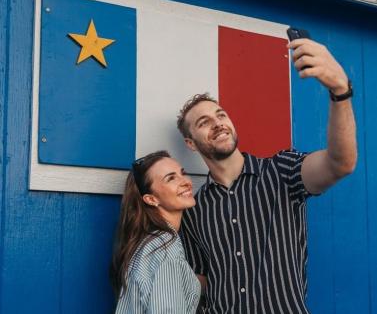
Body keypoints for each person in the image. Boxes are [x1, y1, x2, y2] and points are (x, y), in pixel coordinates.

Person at [177, 38, 357, 313]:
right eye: (204, 122)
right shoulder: (193, 208)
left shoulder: (281, 171)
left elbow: (340, 164)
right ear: (191, 143)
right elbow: (198, 284)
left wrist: (340, 91)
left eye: (221, 115)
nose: (218, 124)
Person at [111, 150, 201, 313]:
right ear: (151, 199)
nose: (185, 181)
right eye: (171, 178)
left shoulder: (150, 243)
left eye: (182, 173)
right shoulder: (165, 247)